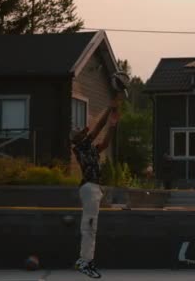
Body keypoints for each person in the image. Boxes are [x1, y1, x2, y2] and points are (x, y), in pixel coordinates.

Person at [72, 96, 121, 278]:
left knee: (92, 227)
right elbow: (97, 128)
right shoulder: (80, 146)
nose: (84, 133)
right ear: (76, 139)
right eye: (80, 133)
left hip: (94, 188)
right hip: (89, 187)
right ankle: (84, 261)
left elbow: (106, 143)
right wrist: (109, 109)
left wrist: (113, 125)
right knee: (89, 226)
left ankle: (86, 260)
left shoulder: (90, 148)